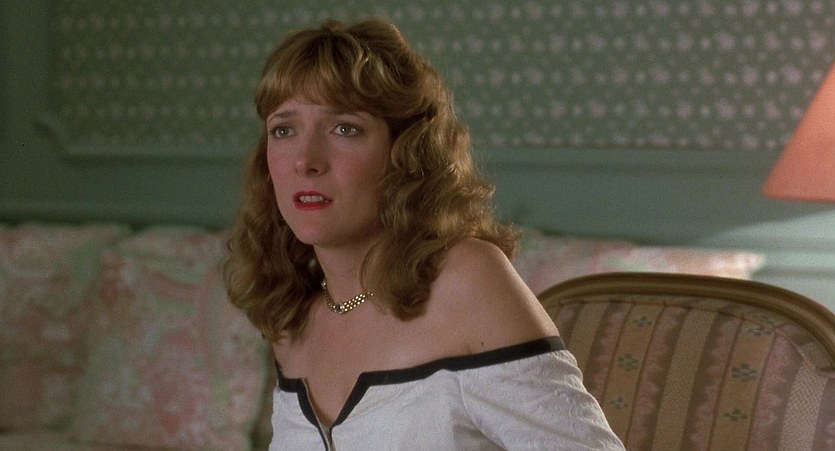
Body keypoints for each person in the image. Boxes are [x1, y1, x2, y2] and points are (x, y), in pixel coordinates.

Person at [224, 18, 624, 450]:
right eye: (284, 130)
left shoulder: (467, 278)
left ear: (404, 153)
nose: (306, 160)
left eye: (344, 128)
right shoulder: (293, 318)